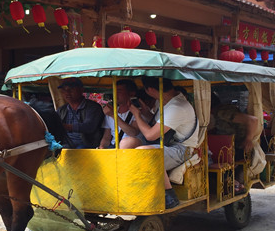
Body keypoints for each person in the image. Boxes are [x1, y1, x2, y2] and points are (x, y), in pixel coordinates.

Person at [131, 77, 199, 209]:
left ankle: (169, 195)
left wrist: (137, 115)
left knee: (144, 152)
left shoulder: (178, 107)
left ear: (150, 90)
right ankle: (132, 185)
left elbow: (150, 135)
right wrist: (145, 112)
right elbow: (162, 125)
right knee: (127, 142)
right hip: (165, 142)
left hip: (182, 149)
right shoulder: (162, 102)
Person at [209, 93, 259, 193]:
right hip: (228, 146)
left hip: (238, 147)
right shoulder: (217, 113)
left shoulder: (222, 112)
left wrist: (248, 139)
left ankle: (232, 182)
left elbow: (253, 120)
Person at [56, 77, 104, 148]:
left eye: (71, 89)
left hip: (88, 144)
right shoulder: (62, 110)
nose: (67, 93)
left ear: (81, 90)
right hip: (66, 144)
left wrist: (65, 126)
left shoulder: (93, 107)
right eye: (64, 90)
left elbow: (89, 126)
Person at [98, 79, 142, 149]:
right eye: (114, 91)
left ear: (131, 93)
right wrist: (101, 147)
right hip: (113, 147)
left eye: (119, 91)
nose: (115, 94)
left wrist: (113, 115)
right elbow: (106, 137)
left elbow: (133, 133)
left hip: (131, 148)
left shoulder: (138, 111)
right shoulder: (110, 111)